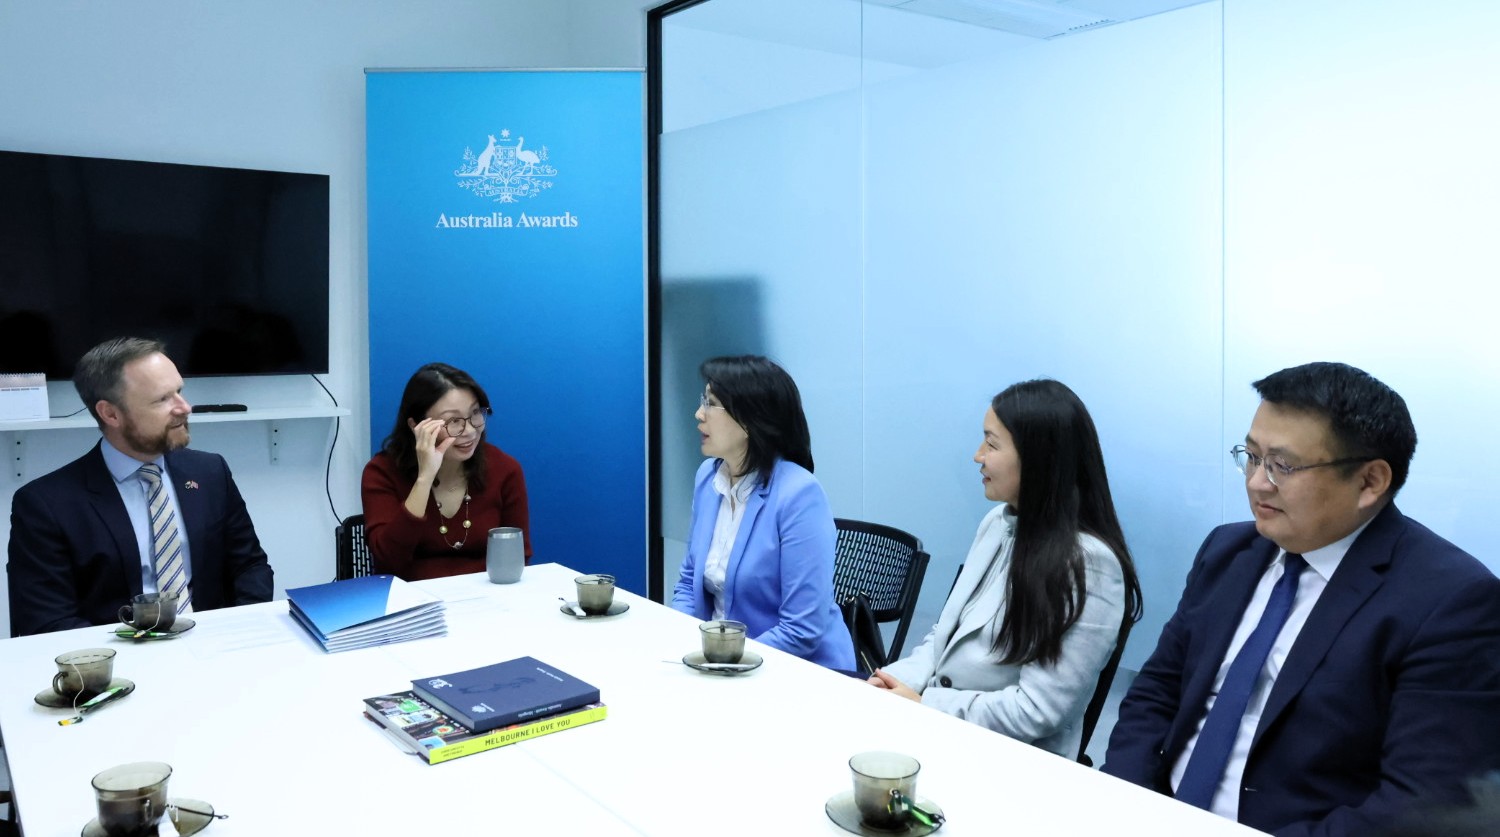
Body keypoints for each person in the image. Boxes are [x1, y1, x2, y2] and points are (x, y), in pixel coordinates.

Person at [1102, 362, 1500, 836]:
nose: (1255, 482)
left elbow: (1420, 807)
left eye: (1283, 466)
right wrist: (1126, 805)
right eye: (1250, 456)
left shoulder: (1450, 601)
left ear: (1370, 482)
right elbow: (1157, 690)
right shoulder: (1229, 551)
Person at [868, 379, 1141, 758]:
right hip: (939, 732)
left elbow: (1036, 711)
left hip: (1007, 761)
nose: (977, 455)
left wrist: (926, 704)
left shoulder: (1089, 565)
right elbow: (944, 635)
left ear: (1039, 460)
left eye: (992, 444)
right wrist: (895, 681)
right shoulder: (999, 523)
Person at [7, 337, 274, 637]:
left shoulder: (210, 472)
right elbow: (47, 621)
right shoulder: (46, 505)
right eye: (162, 400)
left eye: (179, 392)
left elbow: (250, 567)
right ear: (110, 414)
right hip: (116, 669)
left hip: (214, 647)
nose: (184, 407)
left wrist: (240, 632)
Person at [671, 355, 854, 670]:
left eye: (711, 404)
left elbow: (802, 630)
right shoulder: (707, 477)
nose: (698, 414)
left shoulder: (799, 494)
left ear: (749, 420)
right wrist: (681, 642)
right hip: (720, 665)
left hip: (795, 671)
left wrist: (722, 664)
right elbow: (689, 582)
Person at [362, 362, 530, 581]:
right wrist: (424, 478)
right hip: (410, 604)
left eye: (475, 413)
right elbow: (389, 561)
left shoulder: (505, 469)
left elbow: (517, 558)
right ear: (416, 426)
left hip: (486, 603)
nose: (469, 431)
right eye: (453, 421)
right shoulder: (381, 473)